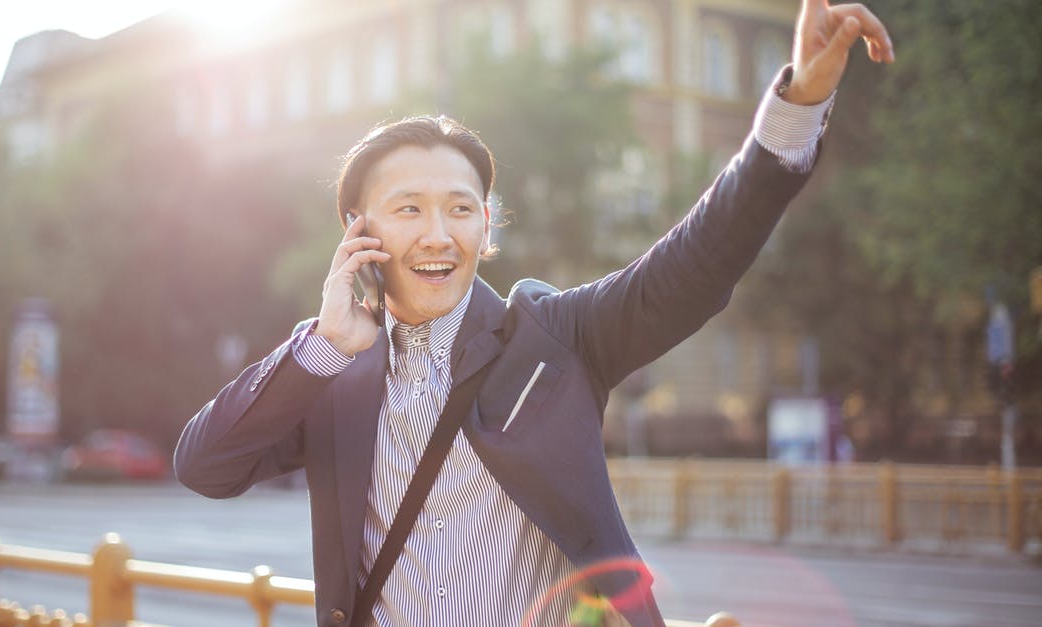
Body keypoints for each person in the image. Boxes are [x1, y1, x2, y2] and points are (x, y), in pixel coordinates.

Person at [174, 1, 894, 625]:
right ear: (361, 234)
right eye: (409, 209)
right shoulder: (330, 374)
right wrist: (323, 345)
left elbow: (697, 264)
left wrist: (798, 102)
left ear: (486, 229)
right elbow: (205, 464)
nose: (437, 233)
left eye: (461, 208)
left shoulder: (555, 338)